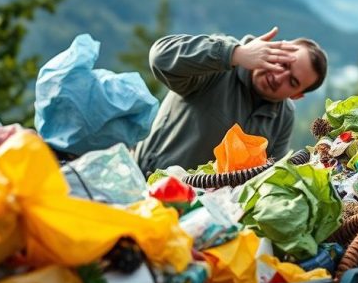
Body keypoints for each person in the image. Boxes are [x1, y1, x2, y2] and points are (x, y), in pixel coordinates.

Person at [134, 26, 327, 174]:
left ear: (296, 95)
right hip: (147, 183)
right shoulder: (221, 62)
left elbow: (269, 174)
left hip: (202, 214)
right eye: (282, 62)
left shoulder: (283, 117)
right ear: (274, 47)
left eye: (292, 82)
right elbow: (160, 57)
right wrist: (236, 54)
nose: (278, 77)